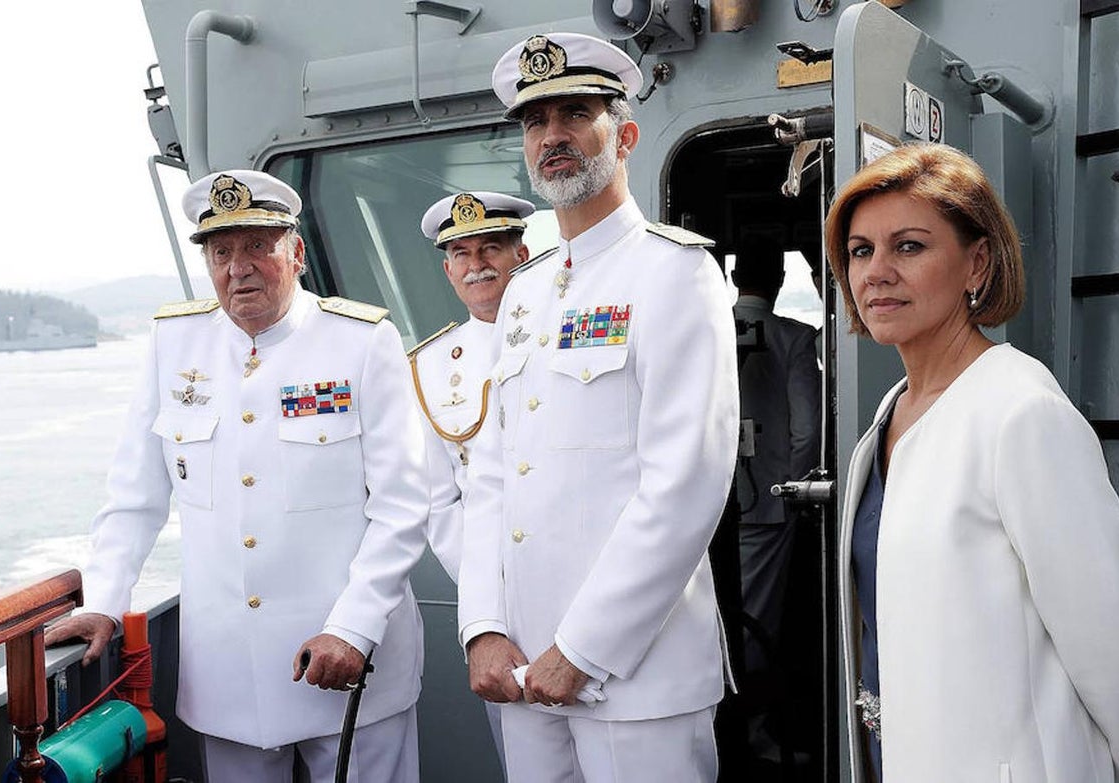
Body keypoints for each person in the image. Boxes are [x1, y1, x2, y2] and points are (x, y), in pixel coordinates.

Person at [45, 170, 430, 782]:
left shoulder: (360, 341)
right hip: (230, 676)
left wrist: (353, 628)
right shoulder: (176, 343)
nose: (239, 268)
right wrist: (104, 602)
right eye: (222, 252)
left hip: (346, 660)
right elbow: (134, 495)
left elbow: (404, 506)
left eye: (258, 246)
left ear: (296, 253)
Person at [457, 32, 739, 782]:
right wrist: (483, 628)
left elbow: (685, 486)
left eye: (575, 113)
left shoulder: (674, 273)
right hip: (523, 672)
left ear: (626, 136)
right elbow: (489, 478)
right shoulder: (523, 291)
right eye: (534, 121)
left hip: (634, 678)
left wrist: (581, 647)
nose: (551, 136)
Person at [824, 143, 1119, 783]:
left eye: (908, 246)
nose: (876, 271)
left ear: (978, 262)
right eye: (860, 251)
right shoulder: (892, 413)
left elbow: (1113, 652)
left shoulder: (1020, 414)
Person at [411, 190, 535, 773]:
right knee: (525, 759)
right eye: (461, 253)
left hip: (585, 582)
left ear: (523, 253)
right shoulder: (429, 365)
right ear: (447, 269)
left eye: (491, 247)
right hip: (495, 608)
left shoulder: (566, 331)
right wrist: (494, 599)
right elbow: (441, 502)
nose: (476, 263)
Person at [729, 232, 820, 748]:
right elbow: (806, 430)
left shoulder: (707, 329)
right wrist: (796, 490)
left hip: (710, 505)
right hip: (769, 503)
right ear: (780, 281)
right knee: (759, 620)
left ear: (734, 278)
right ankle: (755, 730)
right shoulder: (795, 337)